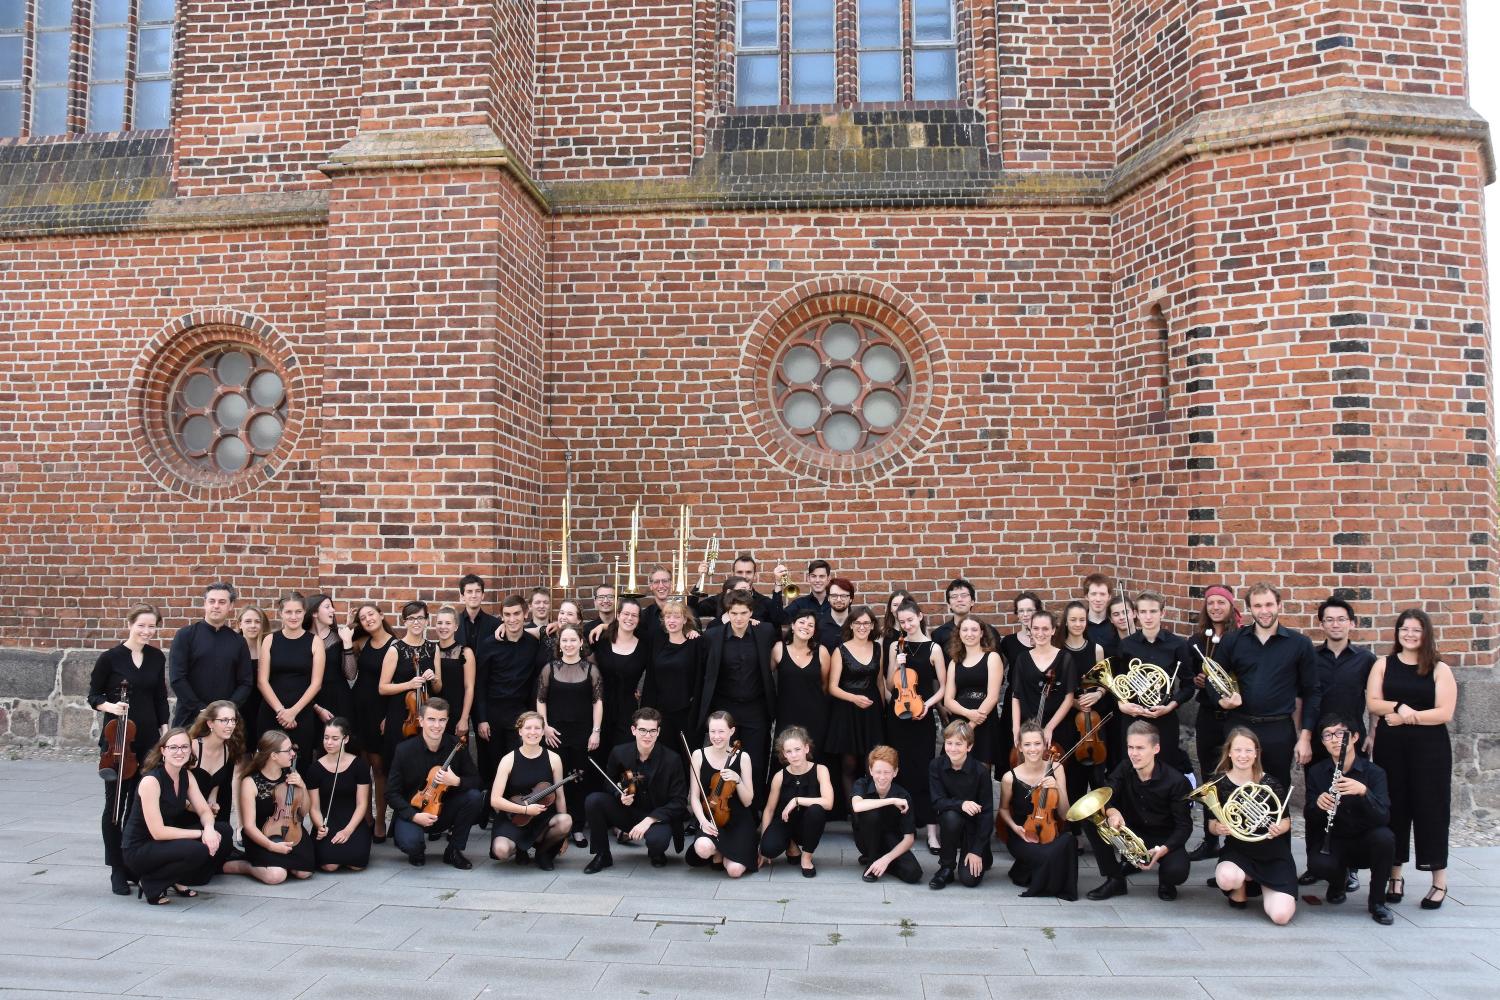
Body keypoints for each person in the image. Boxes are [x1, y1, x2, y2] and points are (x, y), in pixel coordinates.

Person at [1367, 608, 1456, 910]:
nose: (1409, 634)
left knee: (1432, 810)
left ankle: (1439, 881)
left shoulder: (1439, 668)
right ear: (1398, 632)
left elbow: (1444, 713)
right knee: (1394, 808)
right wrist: (1400, 705)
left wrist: (1405, 717)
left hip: (1430, 749)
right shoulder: (1383, 664)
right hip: (1390, 748)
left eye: (1416, 629)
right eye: (1404, 628)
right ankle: (1395, 876)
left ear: (1426, 633)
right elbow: (1373, 703)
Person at [90, 604, 171, 895]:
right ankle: (115, 869)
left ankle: (132, 863)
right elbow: (93, 695)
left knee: (139, 806)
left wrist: (165, 733)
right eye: (142, 625)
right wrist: (111, 706)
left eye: (152, 627)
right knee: (115, 805)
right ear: (130, 623)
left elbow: (160, 697)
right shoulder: (110, 658)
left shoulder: (156, 657)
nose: (147, 632)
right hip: (118, 742)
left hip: (148, 741)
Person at [1221, 583, 1320, 787]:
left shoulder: (1300, 643)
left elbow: (1312, 692)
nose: (1264, 611)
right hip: (1240, 726)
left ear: (1279, 605)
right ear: (1250, 608)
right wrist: (1222, 701)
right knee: (1236, 789)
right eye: (1258, 606)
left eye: (1269, 604)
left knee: (1276, 788)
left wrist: (1305, 737)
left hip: (1279, 729)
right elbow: (1215, 681)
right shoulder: (1232, 640)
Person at [120, 729, 235, 903]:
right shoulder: (151, 781)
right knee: (199, 849)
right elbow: (158, 832)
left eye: (184, 747)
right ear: (163, 751)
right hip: (140, 848)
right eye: (173, 747)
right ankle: (151, 882)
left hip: (163, 843)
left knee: (223, 831)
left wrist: (210, 828)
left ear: (190, 751)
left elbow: (204, 810)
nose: (179, 752)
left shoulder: (186, 776)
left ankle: (175, 878)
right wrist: (201, 834)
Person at [1082, 721, 1191, 902]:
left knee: (1177, 872)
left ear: (1156, 749)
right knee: (1091, 819)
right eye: (1130, 747)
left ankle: (1166, 882)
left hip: (1164, 838)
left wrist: (1163, 850)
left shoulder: (1176, 781)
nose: (1134, 753)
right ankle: (1115, 879)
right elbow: (1105, 796)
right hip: (1132, 833)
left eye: (1140, 748)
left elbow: (1185, 827)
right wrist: (1112, 812)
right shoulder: (1125, 768)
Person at [1303, 713, 1395, 924]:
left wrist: (1364, 793)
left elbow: (1383, 816)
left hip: (1365, 840)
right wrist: (1318, 806)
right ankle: (1337, 883)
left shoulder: (1374, 773)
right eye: (1328, 735)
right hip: (1334, 840)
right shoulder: (1317, 772)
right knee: (1318, 864)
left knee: (1385, 839)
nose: (1334, 739)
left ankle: (1377, 902)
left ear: (1354, 737)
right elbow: (1310, 816)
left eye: (1341, 734)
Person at [1208, 727, 1296, 924]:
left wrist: (1278, 829)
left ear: (1257, 753)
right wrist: (1219, 828)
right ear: (1229, 752)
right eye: (1238, 750)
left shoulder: (1271, 783)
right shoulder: (1218, 783)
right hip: (1239, 851)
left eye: (1249, 750)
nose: (1243, 755)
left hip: (1272, 853)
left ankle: (1265, 886)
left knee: (1281, 917)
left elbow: (1286, 821)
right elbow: (1211, 824)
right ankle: (1240, 888)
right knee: (1227, 878)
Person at [582, 708, 688, 873]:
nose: (647, 735)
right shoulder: (619, 753)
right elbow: (608, 784)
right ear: (633, 730)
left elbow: (679, 801)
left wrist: (649, 820)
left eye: (652, 731)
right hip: (629, 812)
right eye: (643, 730)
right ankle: (602, 855)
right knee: (594, 800)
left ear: (658, 732)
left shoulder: (672, 759)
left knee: (657, 841)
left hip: (657, 817)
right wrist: (620, 794)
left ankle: (656, 852)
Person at [385, 698, 484, 868]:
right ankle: (416, 849)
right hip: (412, 812)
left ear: (447, 721)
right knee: (412, 844)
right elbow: (391, 793)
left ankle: (453, 850)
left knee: (474, 797)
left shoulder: (456, 746)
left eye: (442, 720)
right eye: (431, 719)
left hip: (443, 811)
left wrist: (456, 781)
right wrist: (414, 816)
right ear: (421, 721)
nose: (437, 725)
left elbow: (477, 781)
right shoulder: (404, 750)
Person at [698, 593, 778, 797]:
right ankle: (720, 809)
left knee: (756, 761)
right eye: (734, 613)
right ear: (727, 613)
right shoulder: (713, 636)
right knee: (722, 759)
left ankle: (754, 810)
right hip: (725, 707)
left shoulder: (765, 632)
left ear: (751, 613)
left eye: (744, 613)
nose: (739, 618)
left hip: (755, 707)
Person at [474, 594, 547, 811]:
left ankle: (515, 808)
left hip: (520, 715)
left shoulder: (533, 644)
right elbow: (480, 684)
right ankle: (492, 810)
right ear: (501, 617)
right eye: (507, 615)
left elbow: (557, 629)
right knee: (493, 765)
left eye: (516, 614)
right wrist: (482, 719)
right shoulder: (488, 644)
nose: (512, 619)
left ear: (526, 614)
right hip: (493, 714)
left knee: (518, 765)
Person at [886, 599, 946, 853]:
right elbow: (890, 686)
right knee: (898, 770)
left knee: (924, 771)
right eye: (902, 622)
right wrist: (897, 662)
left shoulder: (934, 649)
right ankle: (901, 827)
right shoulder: (894, 646)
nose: (907, 625)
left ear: (920, 616)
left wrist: (927, 706)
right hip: (898, 717)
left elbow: (942, 687)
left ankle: (932, 832)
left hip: (921, 718)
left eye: (911, 620)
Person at [537, 624, 603, 848]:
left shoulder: (590, 669)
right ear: (559, 644)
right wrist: (544, 726)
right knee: (557, 780)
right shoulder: (550, 668)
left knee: (579, 780)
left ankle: (576, 827)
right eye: (564, 640)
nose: (568, 644)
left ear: (581, 642)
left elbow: (598, 702)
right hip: (555, 733)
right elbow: (541, 700)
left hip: (583, 734)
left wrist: (596, 731)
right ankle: (557, 826)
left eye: (573, 640)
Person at [1187, 585, 1240, 861]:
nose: (1216, 607)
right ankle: (1211, 839)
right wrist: (1197, 680)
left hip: (1234, 718)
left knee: (1233, 776)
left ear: (1231, 606)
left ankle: (1235, 839)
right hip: (1208, 715)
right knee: (1209, 777)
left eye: (1221, 602)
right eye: (1211, 603)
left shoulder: (1241, 638)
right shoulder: (1198, 640)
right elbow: (1190, 675)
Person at [1116, 592, 1192, 775]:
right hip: (1133, 717)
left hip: (1163, 718)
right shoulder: (1126, 645)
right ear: (1136, 614)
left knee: (1165, 769)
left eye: (1153, 611)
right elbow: (1117, 683)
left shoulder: (1178, 645)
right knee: (1133, 771)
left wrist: (1171, 706)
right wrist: (1122, 705)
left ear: (1162, 613)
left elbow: (1189, 685)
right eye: (1143, 611)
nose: (1148, 617)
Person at [999, 723, 1077, 900]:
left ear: (1044, 745)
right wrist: (1014, 828)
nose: (1032, 749)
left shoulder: (1057, 768)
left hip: (1052, 830)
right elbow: (1003, 809)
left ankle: (1031, 872)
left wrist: (1058, 787)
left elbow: (1065, 814)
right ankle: (1041, 873)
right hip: (1023, 834)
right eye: (1027, 744)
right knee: (1048, 854)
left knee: (1069, 840)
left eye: (1037, 744)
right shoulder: (1009, 777)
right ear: (1019, 747)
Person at [490, 711, 573, 870]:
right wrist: (525, 809)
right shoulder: (508, 760)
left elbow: (560, 796)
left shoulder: (554, 758)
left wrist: (564, 837)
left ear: (543, 731)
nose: (533, 732)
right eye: (528, 728)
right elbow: (495, 800)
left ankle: (543, 853)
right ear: (520, 731)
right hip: (514, 816)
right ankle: (520, 849)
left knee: (566, 821)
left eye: (537, 728)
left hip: (542, 817)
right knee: (501, 851)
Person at [825, 605, 887, 805]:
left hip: (872, 710)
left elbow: (879, 682)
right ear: (851, 625)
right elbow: (832, 687)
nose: (862, 627)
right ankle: (855, 812)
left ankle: (872, 807)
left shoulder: (878, 648)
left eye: (866, 623)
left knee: (873, 762)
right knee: (849, 764)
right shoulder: (840, 650)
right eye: (858, 623)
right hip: (848, 710)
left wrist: (885, 708)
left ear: (872, 626)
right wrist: (854, 698)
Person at [236, 729, 317, 884]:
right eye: (288, 751)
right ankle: (244, 866)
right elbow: (249, 827)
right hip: (261, 835)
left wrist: (303, 786)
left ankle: (280, 863)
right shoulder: (250, 782)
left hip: (291, 830)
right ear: (273, 756)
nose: (293, 754)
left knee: (304, 872)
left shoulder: (290, 774)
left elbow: (303, 811)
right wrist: (272, 846)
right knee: (276, 876)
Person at [169, 582, 255, 727]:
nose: (216, 606)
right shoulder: (185, 635)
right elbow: (177, 678)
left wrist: (226, 710)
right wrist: (201, 709)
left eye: (222, 602)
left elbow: (246, 682)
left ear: (231, 606)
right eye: (212, 601)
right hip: (189, 718)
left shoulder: (238, 642)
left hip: (225, 721)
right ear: (205, 604)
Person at [685, 711, 757, 878]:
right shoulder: (698, 755)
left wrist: (738, 780)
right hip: (711, 817)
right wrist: (702, 821)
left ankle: (725, 854)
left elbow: (747, 802)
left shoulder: (743, 757)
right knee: (703, 849)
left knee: (735, 871)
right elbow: (694, 797)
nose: (716, 736)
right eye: (712, 732)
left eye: (721, 732)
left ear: (731, 731)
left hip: (738, 820)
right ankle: (717, 850)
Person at [256, 593, 327, 764]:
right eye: (288, 612)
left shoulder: (315, 642)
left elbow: (316, 684)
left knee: (300, 765)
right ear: (280, 613)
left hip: (301, 714)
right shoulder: (270, 640)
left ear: (304, 613)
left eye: (298, 612)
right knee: (267, 764)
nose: (293, 616)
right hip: (271, 712)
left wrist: (293, 712)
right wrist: (281, 711)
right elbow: (262, 681)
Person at [758, 726, 833, 877]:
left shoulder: (820, 770)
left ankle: (806, 857)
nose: (794, 755)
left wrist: (796, 800)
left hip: (809, 824)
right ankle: (791, 844)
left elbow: (828, 802)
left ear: (806, 748)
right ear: (784, 754)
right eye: (789, 751)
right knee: (768, 848)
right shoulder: (779, 776)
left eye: (797, 749)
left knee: (816, 809)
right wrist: (763, 841)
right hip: (786, 822)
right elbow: (769, 810)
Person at [928, 720, 993, 890]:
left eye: (959, 744)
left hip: (974, 826)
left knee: (969, 880)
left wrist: (977, 850)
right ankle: (946, 867)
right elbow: (936, 802)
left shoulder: (981, 771)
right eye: (949, 743)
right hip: (951, 821)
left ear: (969, 747)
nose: (953, 748)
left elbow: (986, 813)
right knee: (950, 816)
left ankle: (983, 851)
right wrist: (961, 803)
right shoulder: (936, 766)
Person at [1058, 600, 1111, 809]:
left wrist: (1098, 694)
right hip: (1069, 715)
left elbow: (1105, 682)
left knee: (1098, 771)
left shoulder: (1096, 649)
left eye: (1082, 619)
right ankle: (1074, 825)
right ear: (1066, 622)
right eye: (1073, 620)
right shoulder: (1058, 650)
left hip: (1095, 715)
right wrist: (1074, 703)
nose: (1078, 624)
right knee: (1073, 773)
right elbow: (1057, 688)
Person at [350, 603, 394, 840]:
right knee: (361, 766)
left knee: (379, 768)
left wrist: (390, 716)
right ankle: (364, 818)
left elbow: (397, 684)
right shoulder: (362, 642)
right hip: (358, 710)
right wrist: (351, 624)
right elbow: (343, 647)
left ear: (381, 615)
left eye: (371, 614)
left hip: (381, 712)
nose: (367, 619)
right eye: (362, 617)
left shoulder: (395, 644)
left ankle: (379, 820)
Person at [1009, 610, 1075, 764]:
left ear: (1053, 631)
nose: (1040, 633)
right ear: (1030, 630)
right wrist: (1016, 728)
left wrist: (1050, 727)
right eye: (1036, 628)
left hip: (1057, 727)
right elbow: (1016, 696)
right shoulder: (1022, 659)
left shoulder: (1065, 658)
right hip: (1029, 727)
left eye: (1045, 629)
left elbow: (1069, 698)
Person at [850, 745, 923, 884]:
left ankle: (881, 861)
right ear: (871, 770)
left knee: (913, 874)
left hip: (891, 840)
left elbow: (909, 838)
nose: (882, 777)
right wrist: (891, 801)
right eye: (878, 772)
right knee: (872, 814)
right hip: (866, 839)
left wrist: (887, 859)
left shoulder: (903, 795)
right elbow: (857, 806)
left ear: (895, 772)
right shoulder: (862, 784)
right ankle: (871, 860)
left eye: (887, 772)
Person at [307, 717, 373, 872]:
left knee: (357, 864)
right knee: (329, 866)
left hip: (353, 821)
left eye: (335, 738)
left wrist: (348, 830)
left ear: (346, 739)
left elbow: (362, 804)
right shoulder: (315, 769)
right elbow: (314, 807)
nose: (329, 742)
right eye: (326, 738)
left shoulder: (359, 766)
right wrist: (319, 826)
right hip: (327, 821)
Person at [378, 600, 439, 767]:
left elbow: (438, 688)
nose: (416, 622)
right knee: (398, 765)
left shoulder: (433, 648)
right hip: (400, 714)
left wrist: (434, 678)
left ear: (427, 620)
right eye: (411, 618)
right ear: (404, 621)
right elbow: (382, 688)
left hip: (426, 715)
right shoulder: (395, 649)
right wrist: (409, 684)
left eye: (420, 618)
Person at [1315, 597, 1376, 750]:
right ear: (1321, 625)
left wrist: (1372, 734)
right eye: (1329, 620)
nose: (1335, 624)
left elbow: (1375, 699)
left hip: (1354, 737)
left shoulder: (1366, 659)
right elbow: (1300, 699)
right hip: (1318, 738)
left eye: (1341, 619)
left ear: (1352, 623)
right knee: (1317, 774)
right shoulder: (1310, 658)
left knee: (1354, 775)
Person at [943, 616, 1004, 767]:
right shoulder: (954, 662)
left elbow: (992, 697)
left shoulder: (992, 657)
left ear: (982, 633)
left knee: (982, 769)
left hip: (984, 722)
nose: (969, 633)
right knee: (957, 768)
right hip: (959, 721)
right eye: (965, 630)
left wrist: (971, 726)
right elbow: (948, 700)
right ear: (959, 633)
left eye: (974, 629)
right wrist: (968, 715)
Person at [644, 599, 702, 753]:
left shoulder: (695, 643)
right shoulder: (657, 642)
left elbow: (700, 678)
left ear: (684, 620)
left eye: (676, 616)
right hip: (661, 711)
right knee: (665, 754)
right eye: (668, 616)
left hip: (686, 712)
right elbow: (650, 677)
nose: (671, 620)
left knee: (688, 753)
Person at [593, 597, 649, 750]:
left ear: (638, 619)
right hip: (600, 708)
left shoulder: (645, 647)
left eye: (634, 615)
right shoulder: (601, 641)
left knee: (624, 756)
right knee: (599, 755)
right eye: (626, 614)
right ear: (618, 615)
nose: (629, 618)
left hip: (628, 711)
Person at [772, 609, 830, 755]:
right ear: (792, 625)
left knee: (813, 756)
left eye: (811, 625)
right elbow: (768, 679)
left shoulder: (821, 651)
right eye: (802, 622)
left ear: (814, 630)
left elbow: (825, 684)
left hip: (815, 714)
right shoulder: (779, 649)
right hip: (786, 714)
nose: (806, 627)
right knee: (786, 757)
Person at [186, 700, 243, 843]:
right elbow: (171, 791)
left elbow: (215, 785)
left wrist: (212, 804)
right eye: (224, 720)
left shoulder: (227, 750)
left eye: (232, 720)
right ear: (210, 723)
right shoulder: (191, 747)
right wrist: (195, 808)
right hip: (183, 813)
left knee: (225, 833)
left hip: (205, 816)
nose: (230, 725)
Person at [306, 594, 357, 741]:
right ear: (314, 612)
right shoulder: (303, 639)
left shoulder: (338, 637)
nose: (333, 610)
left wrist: (347, 643)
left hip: (339, 699)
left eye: (332, 606)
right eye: (327, 607)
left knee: (340, 744)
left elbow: (351, 674)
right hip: (311, 699)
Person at [433, 607, 476, 741]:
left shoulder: (465, 652)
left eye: (448, 623)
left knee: (456, 758)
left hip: (456, 714)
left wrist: (464, 719)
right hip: (433, 714)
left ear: (456, 627)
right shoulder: (430, 650)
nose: (443, 627)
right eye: (439, 623)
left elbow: (469, 688)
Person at [930, 578, 1001, 652]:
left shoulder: (989, 631)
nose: (959, 599)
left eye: (964, 595)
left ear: (972, 602)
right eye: (954, 596)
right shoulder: (939, 634)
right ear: (949, 604)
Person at [237, 605, 268, 732]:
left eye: (257, 621)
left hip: (264, 706)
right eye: (248, 621)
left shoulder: (269, 648)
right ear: (240, 624)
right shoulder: (233, 649)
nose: (253, 625)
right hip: (240, 706)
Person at [454, 574, 502, 652]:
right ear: (462, 596)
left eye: (478, 591)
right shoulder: (453, 623)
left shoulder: (496, 624)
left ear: (483, 595)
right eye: (469, 592)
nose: (474, 595)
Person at [1083, 574, 1119, 656]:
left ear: (1109, 596)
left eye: (1102, 594)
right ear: (1086, 596)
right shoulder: (1079, 625)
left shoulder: (1117, 623)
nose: (1098, 599)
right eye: (1093, 594)